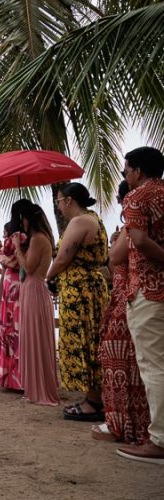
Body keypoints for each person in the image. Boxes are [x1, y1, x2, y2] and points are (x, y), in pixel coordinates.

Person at [117, 146, 164, 464]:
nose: (125, 177)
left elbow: (141, 241)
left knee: (154, 366)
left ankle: (159, 440)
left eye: (125, 171)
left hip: (148, 289)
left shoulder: (136, 197)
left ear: (137, 171)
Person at [46, 183, 109, 421]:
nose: (59, 206)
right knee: (91, 339)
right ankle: (93, 397)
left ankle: (93, 401)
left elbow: (63, 257)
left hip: (80, 289)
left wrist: (49, 277)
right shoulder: (93, 219)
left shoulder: (80, 222)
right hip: (88, 286)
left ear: (69, 200)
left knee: (84, 340)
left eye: (59, 202)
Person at [93, 181, 149, 444]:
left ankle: (122, 421)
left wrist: (115, 243)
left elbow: (115, 258)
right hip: (136, 293)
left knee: (118, 359)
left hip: (128, 295)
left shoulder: (133, 226)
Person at [13, 202, 58, 405]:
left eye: (22, 218)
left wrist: (17, 249)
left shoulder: (38, 239)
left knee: (35, 338)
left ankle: (38, 389)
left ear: (28, 219)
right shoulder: (42, 238)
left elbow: (29, 267)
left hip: (34, 288)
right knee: (34, 337)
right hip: (34, 289)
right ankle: (34, 387)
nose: (21, 223)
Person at [0, 222, 22, 390]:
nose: (3, 238)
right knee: (8, 334)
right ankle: (9, 377)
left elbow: (12, 263)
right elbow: (6, 267)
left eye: (5, 235)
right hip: (9, 294)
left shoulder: (19, 245)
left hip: (16, 294)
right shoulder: (10, 249)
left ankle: (16, 378)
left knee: (15, 335)